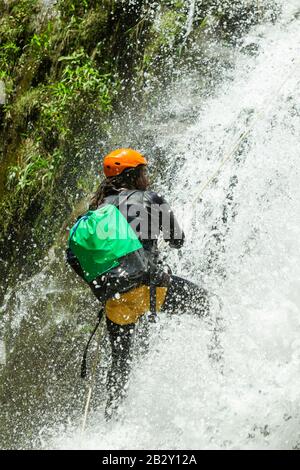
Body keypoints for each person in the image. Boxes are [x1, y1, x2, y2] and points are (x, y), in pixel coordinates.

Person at [66, 148, 209, 419]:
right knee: (213, 307)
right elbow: (178, 240)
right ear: (133, 175)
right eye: (143, 171)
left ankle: (113, 421)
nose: (147, 176)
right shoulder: (150, 199)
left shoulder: (97, 212)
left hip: (117, 302)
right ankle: (222, 370)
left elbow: (80, 257)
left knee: (120, 365)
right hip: (154, 290)